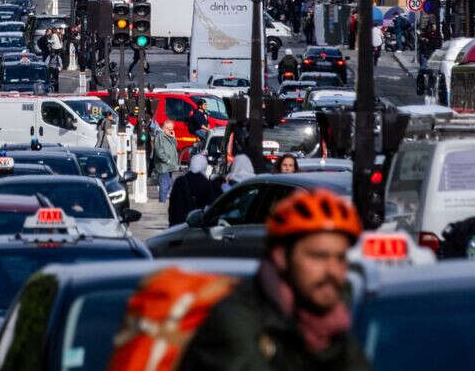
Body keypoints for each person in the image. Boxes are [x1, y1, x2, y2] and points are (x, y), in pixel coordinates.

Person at [180, 188, 368, 371]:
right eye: (318, 256)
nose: (332, 271)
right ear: (281, 257)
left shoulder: (334, 323)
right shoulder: (235, 320)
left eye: (340, 258)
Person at [168, 153, 221, 227]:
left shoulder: (180, 181)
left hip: (178, 225)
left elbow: (172, 205)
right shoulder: (206, 184)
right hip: (195, 225)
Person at [152, 121, 181, 202]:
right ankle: (162, 203)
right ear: (165, 128)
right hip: (164, 166)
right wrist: (167, 160)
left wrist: (173, 137)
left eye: (172, 129)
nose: (172, 131)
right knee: (164, 185)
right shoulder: (160, 136)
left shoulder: (168, 136)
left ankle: (163, 200)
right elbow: (159, 152)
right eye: (170, 129)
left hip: (169, 166)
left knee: (168, 185)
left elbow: (175, 146)